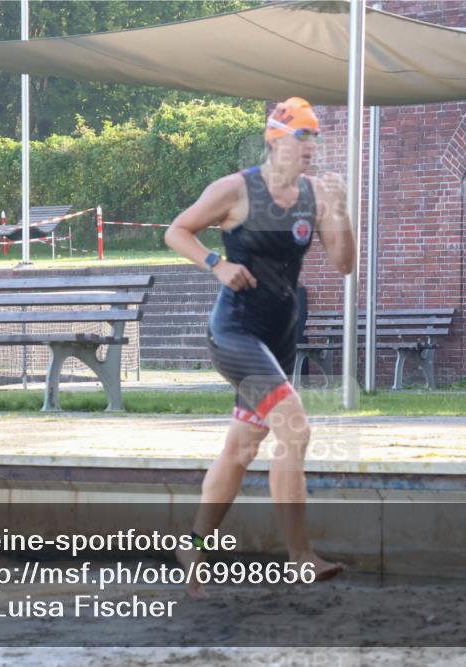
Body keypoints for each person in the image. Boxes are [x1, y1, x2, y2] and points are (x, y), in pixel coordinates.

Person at [164, 97, 355, 597]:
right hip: (236, 334)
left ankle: (192, 545)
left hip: (279, 339)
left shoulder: (316, 194)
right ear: (275, 139)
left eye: (315, 138)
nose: (311, 147)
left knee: (240, 449)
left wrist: (340, 210)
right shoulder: (236, 189)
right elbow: (176, 230)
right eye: (302, 137)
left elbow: (343, 263)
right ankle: (299, 558)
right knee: (295, 428)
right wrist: (216, 264)